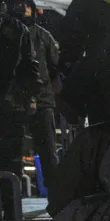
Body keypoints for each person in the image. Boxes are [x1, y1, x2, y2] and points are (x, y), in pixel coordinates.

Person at [0, 0, 40, 219]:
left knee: (11, 159)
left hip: (9, 106)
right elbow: (30, 69)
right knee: (10, 159)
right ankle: (11, 212)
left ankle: (11, 211)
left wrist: (28, 96)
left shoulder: (18, 29)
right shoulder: (18, 29)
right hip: (10, 105)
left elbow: (29, 69)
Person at [15, 0, 60, 196]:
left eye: (27, 4)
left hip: (42, 102)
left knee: (49, 152)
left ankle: (56, 198)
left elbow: (55, 65)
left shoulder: (43, 36)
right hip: (15, 103)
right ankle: (12, 201)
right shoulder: (10, 33)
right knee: (13, 154)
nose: (23, 8)